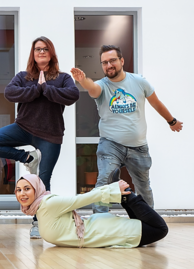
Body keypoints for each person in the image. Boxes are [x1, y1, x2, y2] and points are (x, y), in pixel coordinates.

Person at [0, 36, 79, 238]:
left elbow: (72, 96)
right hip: (23, 127)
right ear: (32, 54)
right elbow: (10, 93)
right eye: (37, 49)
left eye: (45, 49)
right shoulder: (23, 76)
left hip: (50, 134)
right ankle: (27, 158)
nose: (41, 52)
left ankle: (38, 223)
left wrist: (46, 89)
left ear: (51, 53)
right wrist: (36, 89)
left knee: (43, 181)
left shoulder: (63, 78)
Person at [71, 45, 183, 213]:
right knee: (104, 181)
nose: (109, 65)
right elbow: (92, 88)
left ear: (121, 61)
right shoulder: (102, 86)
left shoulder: (139, 82)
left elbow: (156, 103)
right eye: (104, 62)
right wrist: (83, 80)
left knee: (143, 187)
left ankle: (147, 223)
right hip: (111, 144)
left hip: (138, 146)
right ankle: (100, 222)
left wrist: (171, 121)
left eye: (112, 60)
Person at [15, 170, 168, 248]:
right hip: (100, 231)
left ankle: (127, 196)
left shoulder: (48, 203)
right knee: (143, 225)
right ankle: (125, 197)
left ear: (37, 189)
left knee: (161, 229)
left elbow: (80, 200)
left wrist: (111, 189)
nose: (22, 194)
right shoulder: (39, 209)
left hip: (106, 232)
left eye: (27, 188)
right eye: (18, 190)